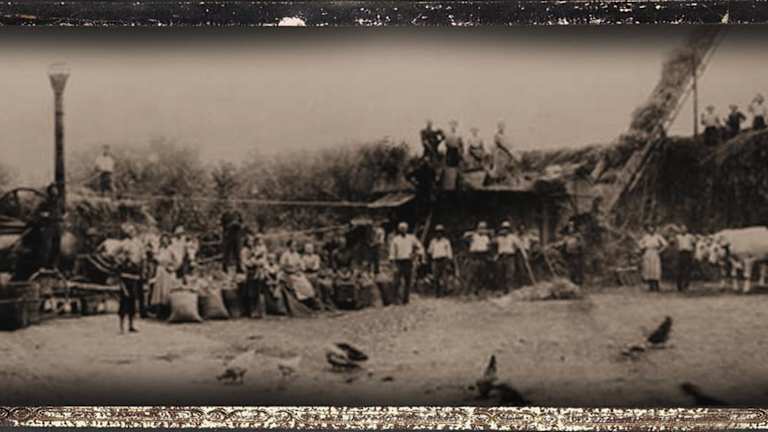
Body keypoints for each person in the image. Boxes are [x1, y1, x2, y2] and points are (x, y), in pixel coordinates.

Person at [12, 183, 62, 281]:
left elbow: (60, 214)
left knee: (56, 247)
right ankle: (42, 266)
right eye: (53, 191)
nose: (55, 193)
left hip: (55, 227)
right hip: (47, 227)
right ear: (49, 193)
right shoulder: (44, 203)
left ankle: (53, 266)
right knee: (46, 247)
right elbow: (37, 215)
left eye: (56, 191)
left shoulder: (58, 203)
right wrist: (44, 217)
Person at [117, 224, 145, 333]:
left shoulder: (139, 243)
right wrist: (122, 259)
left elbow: (143, 258)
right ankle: (121, 326)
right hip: (125, 274)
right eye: (129, 231)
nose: (131, 232)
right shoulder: (124, 243)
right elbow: (114, 254)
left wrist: (143, 271)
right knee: (124, 299)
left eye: (133, 230)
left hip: (135, 273)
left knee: (133, 300)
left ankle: (131, 325)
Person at [388, 222, 424, 305]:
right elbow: (392, 252)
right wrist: (393, 264)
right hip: (399, 261)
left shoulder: (411, 238)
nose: (403, 230)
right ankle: (395, 300)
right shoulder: (396, 239)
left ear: (407, 229)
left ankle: (406, 300)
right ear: (399, 230)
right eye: (401, 228)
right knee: (396, 281)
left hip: (408, 261)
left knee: (408, 281)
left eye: (404, 228)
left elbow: (420, 247)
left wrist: (416, 254)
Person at [280, 239, 318, 308]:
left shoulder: (296, 254)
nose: (295, 247)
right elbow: (282, 267)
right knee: (297, 282)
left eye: (295, 246)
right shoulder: (285, 255)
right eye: (293, 245)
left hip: (296, 273)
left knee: (305, 282)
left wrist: (298, 271)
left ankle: (308, 300)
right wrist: (292, 271)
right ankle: (301, 300)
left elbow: (300, 265)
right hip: (287, 274)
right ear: (289, 246)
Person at [148, 234, 179, 318]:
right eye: (163, 240)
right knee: (159, 291)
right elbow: (156, 259)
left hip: (168, 271)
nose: (164, 242)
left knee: (167, 290)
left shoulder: (172, 249)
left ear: (168, 241)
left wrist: (172, 268)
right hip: (160, 271)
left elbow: (178, 261)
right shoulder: (160, 250)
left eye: (166, 240)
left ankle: (168, 310)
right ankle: (160, 311)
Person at [241, 233, 268, 318]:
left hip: (256, 272)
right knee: (251, 292)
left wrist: (257, 262)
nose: (251, 242)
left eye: (252, 241)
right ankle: (251, 311)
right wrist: (252, 262)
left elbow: (261, 259)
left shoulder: (254, 249)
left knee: (257, 291)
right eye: (249, 241)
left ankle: (258, 311)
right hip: (250, 272)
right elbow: (245, 262)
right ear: (246, 242)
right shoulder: (244, 251)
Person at [464, 221, 492, 295]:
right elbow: (465, 236)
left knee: (481, 275)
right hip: (474, 256)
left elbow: (488, 246)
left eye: (484, 228)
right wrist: (475, 232)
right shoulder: (473, 236)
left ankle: (477, 291)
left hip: (482, 256)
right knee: (471, 275)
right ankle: (466, 292)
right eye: (481, 228)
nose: (482, 230)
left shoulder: (486, 237)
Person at [639, 224, 668, 292]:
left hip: (655, 253)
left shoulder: (658, 236)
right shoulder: (646, 237)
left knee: (655, 269)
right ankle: (651, 286)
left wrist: (659, 251)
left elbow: (665, 244)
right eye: (649, 228)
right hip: (648, 252)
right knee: (648, 269)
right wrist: (643, 247)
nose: (651, 230)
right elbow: (640, 244)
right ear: (648, 229)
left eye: (652, 228)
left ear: (654, 229)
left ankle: (657, 286)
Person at [427, 225, 453, 297]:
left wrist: (449, 261)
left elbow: (449, 252)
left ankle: (445, 292)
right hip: (435, 260)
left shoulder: (446, 241)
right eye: (437, 232)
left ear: (442, 233)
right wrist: (431, 257)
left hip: (444, 260)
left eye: (440, 232)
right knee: (436, 277)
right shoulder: (433, 242)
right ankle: (436, 293)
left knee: (445, 277)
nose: (439, 234)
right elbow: (429, 251)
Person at [494, 221, 519, 293]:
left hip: (510, 257)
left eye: (506, 228)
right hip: (501, 257)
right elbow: (492, 245)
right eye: (503, 228)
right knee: (500, 273)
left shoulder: (513, 237)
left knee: (510, 273)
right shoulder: (498, 238)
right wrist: (495, 254)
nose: (505, 230)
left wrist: (514, 250)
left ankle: (510, 288)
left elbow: (518, 246)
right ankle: (501, 289)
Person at [560, 220, 585, 286]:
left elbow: (581, 243)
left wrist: (578, 245)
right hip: (569, 253)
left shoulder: (578, 234)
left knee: (577, 266)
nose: (571, 227)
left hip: (577, 253)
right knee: (571, 266)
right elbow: (564, 242)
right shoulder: (566, 234)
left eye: (572, 225)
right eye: (569, 225)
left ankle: (579, 281)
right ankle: (572, 280)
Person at [220, 207, 244, 272]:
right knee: (227, 251)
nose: (231, 207)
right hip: (228, 235)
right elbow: (222, 225)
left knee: (238, 251)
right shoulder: (225, 214)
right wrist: (229, 225)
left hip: (236, 235)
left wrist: (238, 224)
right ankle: (225, 267)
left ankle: (239, 267)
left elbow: (242, 224)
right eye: (229, 206)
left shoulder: (238, 214)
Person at [675, 225, 696, 292]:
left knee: (688, 270)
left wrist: (693, 254)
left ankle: (686, 285)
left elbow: (694, 245)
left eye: (684, 229)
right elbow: (676, 245)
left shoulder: (690, 236)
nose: (683, 230)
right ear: (680, 230)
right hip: (681, 253)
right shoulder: (678, 237)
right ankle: (679, 286)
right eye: (682, 229)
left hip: (688, 253)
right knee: (680, 270)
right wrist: (677, 252)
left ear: (687, 230)